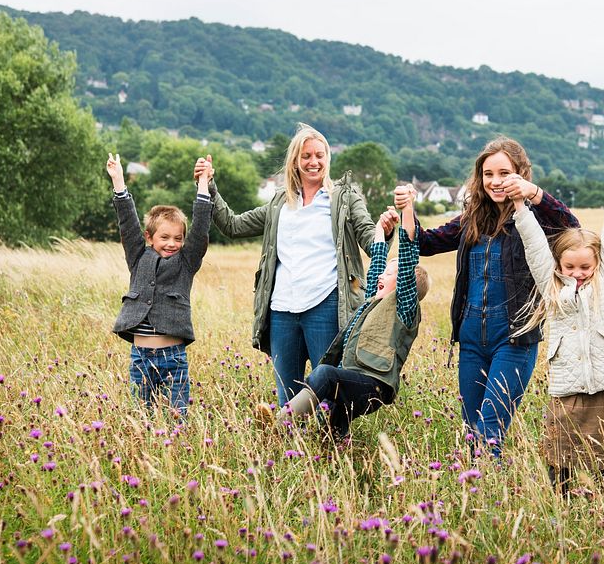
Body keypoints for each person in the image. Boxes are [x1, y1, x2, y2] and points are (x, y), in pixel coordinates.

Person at [194, 124, 391, 406]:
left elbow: (371, 242)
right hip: (281, 312)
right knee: (288, 396)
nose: (314, 162)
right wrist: (208, 185)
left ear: (328, 158)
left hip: (325, 306)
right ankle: (288, 447)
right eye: (306, 156)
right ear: (295, 162)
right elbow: (233, 225)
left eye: (320, 155)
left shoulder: (343, 198)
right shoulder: (279, 203)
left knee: (330, 395)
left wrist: (385, 229)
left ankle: (332, 447)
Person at [405, 137, 579, 455]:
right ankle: (478, 497)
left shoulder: (534, 218)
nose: (495, 181)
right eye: (488, 174)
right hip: (471, 339)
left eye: (504, 173)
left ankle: (487, 490)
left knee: (489, 430)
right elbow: (426, 244)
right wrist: (407, 210)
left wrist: (534, 194)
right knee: (473, 432)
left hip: (514, 339)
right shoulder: (473, 219)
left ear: (520, 173)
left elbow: (572, 228)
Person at [257, 186, 430, 439]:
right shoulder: (373, 299)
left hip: (374, 384)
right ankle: (335, 456)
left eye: (391, 275)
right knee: (334, 427)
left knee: (325, 375)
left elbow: (406, 257)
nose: (382, 275)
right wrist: (381, 231)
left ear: (404, 285)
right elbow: (377, 264)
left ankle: (280, 426)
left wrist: (407, 210)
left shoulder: (404, 307)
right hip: (354, 377)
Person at [513, 171, 604, 493]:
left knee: (602, 453)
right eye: (570, 268)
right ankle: (562, 499)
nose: (578, 274)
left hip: (602, 383)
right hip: (567, 384)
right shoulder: (552, 287)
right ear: (560, 266)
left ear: (596, 264)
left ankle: (603, 499)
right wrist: (519, 206)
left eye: (585, 267)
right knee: (560, 450)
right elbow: (535, 247)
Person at [106, 152, 213, 417]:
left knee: (177, 421)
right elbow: (127, 223)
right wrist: (118, 182)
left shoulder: (186, 262)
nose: (171, 243)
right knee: (142, 420)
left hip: (173, 359)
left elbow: (200, 230)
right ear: (149, 237)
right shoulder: (138, 256)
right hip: (140, 358)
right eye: (164, 237)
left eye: (178, 238)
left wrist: (203, 184)